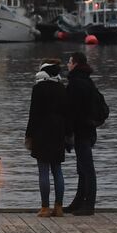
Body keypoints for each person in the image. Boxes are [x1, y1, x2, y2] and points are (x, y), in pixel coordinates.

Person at [25, 60, 68, 217]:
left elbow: (33, 113)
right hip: (58, 132)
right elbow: (66, 114)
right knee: (57, 170)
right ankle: (59, 207)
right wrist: (67, 134)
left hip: (41, 132)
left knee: (43, 170)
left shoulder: (38, 88)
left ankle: (44, 207)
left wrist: (29, 135)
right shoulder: (62, 88)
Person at [64, 50, 101, 215]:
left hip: (81, 131)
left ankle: (89, 205)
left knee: (87, 168)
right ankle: (79, 202)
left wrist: (67, 132)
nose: (67, 64)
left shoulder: (75, 83)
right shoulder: (88, 81)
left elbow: (71, 110)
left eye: (70, 62)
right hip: (89, 129)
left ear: (76, 64)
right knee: (82, 168)